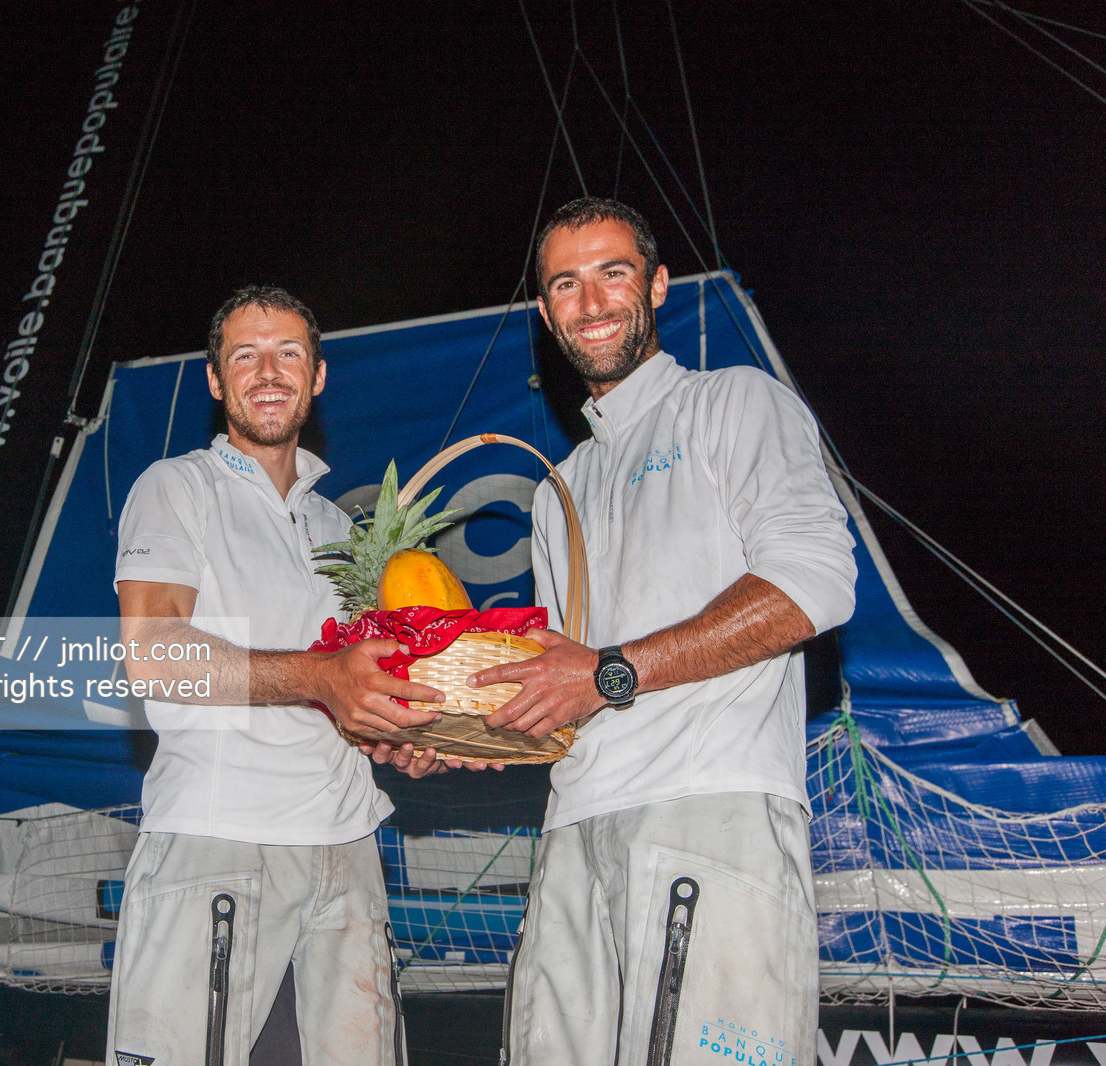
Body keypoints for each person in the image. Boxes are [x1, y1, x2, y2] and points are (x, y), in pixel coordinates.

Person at [471, 199, 858, 1066]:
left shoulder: (735, 403)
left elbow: (815, 583)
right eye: (566, 284)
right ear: (546, 313)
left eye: (614, 272)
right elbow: (561, 677)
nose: (593, 301)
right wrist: (471, 726)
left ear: (657, 284)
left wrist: (609, 674)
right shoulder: (555, 489)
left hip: (708, 808)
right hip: (573, 831)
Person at [105, 284, 449, 1066]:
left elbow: (351, 691)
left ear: (318, 375)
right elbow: (153, 650)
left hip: (350, 852)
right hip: (219, 841)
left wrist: (400, 735)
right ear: (216, 381)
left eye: (289, 353)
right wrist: (322, 676)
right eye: (245, 356)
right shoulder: (177, 487)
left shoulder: (342, 530)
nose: (268, 372)